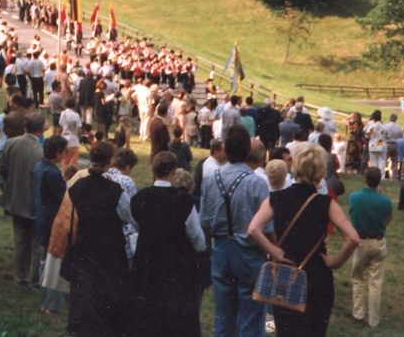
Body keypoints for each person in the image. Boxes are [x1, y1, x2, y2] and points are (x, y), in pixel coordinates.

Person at [248, 143, 360, 337]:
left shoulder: (276, 198)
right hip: (317, 275)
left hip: (285, 273)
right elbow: (353, 238)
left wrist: (275, 252)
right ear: (320, 172)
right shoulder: (326, 204)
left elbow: (253, 229)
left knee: (286, 330)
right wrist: (335, 261)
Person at [201, 124, 271, 337]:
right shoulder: (257, 183)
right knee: (251, 314)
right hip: (249, 252)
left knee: (223, 314)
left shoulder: (211, 179)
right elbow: (267, 227)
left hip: (220, 249)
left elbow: (204, 220)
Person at [58, 140, 131, 336]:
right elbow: (128, 215)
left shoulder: (77, 186)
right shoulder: (116, 190)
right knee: (106, 292)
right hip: (109, 247)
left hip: (84, 242)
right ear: (110, 161)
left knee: (84, 291)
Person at [130, 151, 207, 337]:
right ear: (173, 171)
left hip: (147, 265)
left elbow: (135, 225)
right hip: (176, 268)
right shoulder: (184, 201)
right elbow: (198, 238)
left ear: (153, 170)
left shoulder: (139, 198)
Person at [0, 113, 45, 286]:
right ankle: (34, 277)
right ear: (41, 129)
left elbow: (3, 168)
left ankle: (20, 275)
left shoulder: (10, 143)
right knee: (35, 242)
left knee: (20, 239)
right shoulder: (40, 151)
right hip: (34, 201)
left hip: (15, 198)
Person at [348, 166, 392, 328]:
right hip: (378, 242)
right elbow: (388, 219)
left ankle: (358, 314)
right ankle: (374, 320)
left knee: (358, 278)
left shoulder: (354, 197)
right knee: (376, 282)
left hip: (360, 242)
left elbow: (352, 216)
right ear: (379, 181)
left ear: (365, 179)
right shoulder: (385, 201)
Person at [35, 135, 68, 313]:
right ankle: (52, 303)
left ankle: (44, 300)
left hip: (41, 218)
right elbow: (63, 197)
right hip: (52, 221)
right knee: (53, 264)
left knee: (43, 262)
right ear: (57, 153)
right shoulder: (53, 173)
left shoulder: (40, 166)